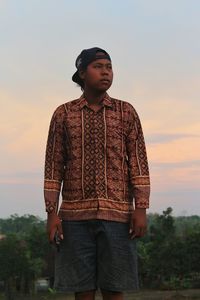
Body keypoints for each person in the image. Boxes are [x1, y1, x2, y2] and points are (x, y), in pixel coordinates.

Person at [44, 47, 150, 300]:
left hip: (118, 214)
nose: (106, 72)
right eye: (98, 66)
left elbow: (138, 162)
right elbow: (53, 165)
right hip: (74, 217)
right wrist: (52, 215)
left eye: (109, 67)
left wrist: (141, 209)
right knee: (83, 289)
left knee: (114, 288)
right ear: (82, 73)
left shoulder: (126, 112)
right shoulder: (64, 114)